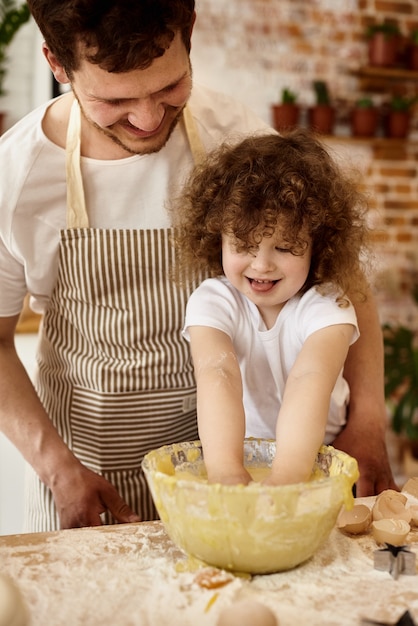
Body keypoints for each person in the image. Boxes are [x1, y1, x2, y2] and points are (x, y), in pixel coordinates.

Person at [0, 2, 395, 532]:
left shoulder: (233, 135)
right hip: (88, 477)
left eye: (168, 89)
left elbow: (336, 272)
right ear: (56, 64)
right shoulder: (16, 178)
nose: (146, 119)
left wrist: (367, 419)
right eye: (112, 99)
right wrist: (58, 470)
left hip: (235, 472)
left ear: (189, 34)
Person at [175, 129, 373, 485]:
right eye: (244, 245)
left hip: (319, 459)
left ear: (319, 245)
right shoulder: (212, 300)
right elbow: (217, 374)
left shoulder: (328, 305)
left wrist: (287, 477)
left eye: (284, 247)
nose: (262, 265)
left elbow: (309, 379)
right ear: (216, 236)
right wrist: (224, 470)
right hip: (242, 453)